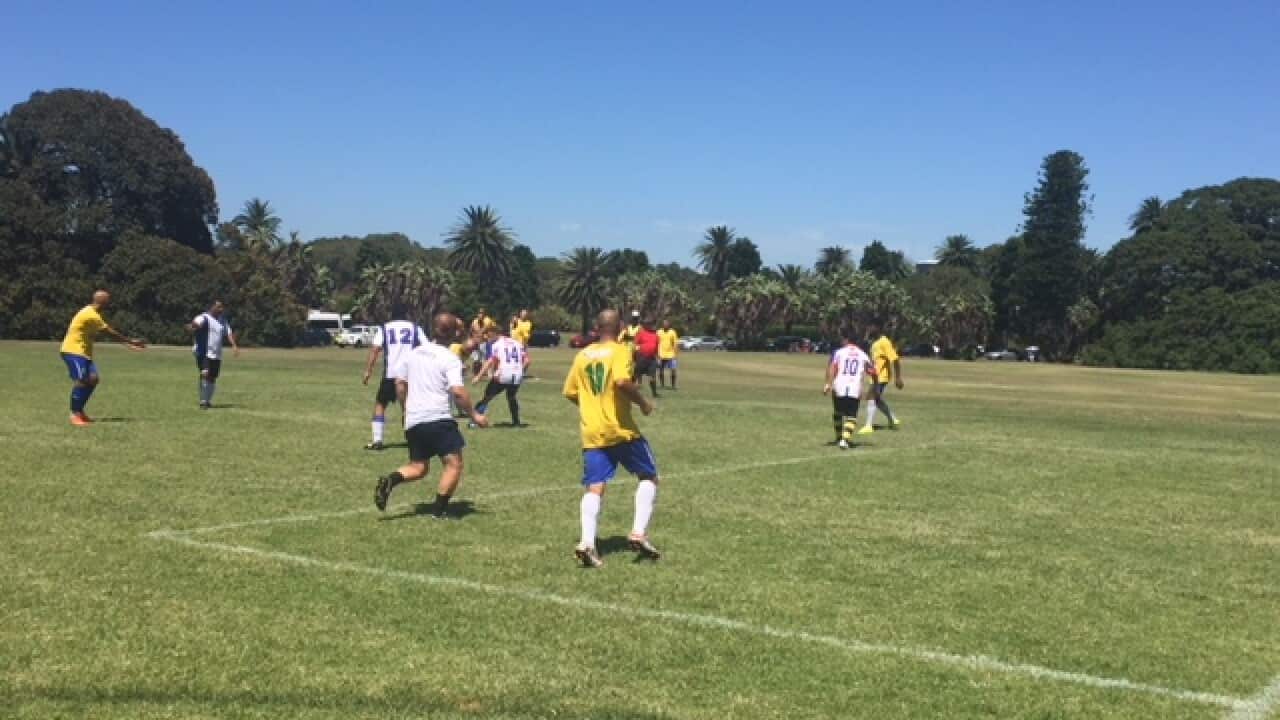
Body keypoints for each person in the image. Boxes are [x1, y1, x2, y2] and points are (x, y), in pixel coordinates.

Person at [562, 309, 662, 568]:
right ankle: (638, 532)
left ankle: (586, 543)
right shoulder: (620, 351)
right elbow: (621, 381)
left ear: (596, 327)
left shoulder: (582, 355)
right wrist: (643, 403)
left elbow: (570, 392)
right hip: (621, 429)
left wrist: (591, 406)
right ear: (620, 328)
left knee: (595, 486)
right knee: (648, 476)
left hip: (592, 430)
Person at [375, 313, 489, 517]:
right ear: (454, 333)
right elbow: (458, 392)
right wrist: (475, 415)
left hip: (414, 420)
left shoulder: (412, 354)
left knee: (418, 467)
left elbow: (400, 385)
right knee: (454, 464)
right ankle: (440, 510)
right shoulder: (449, 358)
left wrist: (405, 410)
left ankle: (391, 480)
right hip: (438, 418)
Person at [59, 290, 146, 426]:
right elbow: (109, 332)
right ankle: (74, 414)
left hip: (84, 353)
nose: (109, 304)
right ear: (103, 302)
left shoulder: (93, 314)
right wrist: (130, 341)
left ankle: (80, 411)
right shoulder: (91, 315)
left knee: (93, 379)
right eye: (108, 301)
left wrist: (126, 345)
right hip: (72, 351)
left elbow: (106, 333)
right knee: (82, 380)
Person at [361, 305, 428, 450]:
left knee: (380, 405)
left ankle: (377, 440)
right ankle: (413, 440)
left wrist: (368, 371)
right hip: (410, 374)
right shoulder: (415, 328)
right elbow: (426, 347)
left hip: (390, 374)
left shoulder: (385, 328)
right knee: (409, 408)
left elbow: (375, 349)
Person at [824, 328, 877, 449]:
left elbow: (832, 367)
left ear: (846, 340)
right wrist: (875, 385)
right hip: (854, 387)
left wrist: (828, 383)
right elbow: (872, 371)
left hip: (839, 385)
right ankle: (844, 439)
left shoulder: (839, 352)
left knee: (838, 412)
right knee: (852, 416)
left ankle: (838, 437)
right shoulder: (863, 354)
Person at [471, 326, 530, 427]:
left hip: (503, 374)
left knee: (487, 397)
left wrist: (478, 376)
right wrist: (520, 371)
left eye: (488, 334)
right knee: (511, 397)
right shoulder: (517, 343)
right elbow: (527, 361)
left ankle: (474, 422)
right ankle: (516, 422)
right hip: (516, 376)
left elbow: (490, 361)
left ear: (495, 333)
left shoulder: (497, 345)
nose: (486, 337)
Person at [187, 300, 240, 409]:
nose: (221, 309)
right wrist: (193, 326)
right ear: (212, 307)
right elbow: (195, 323)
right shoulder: (204, 317)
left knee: (212, 378)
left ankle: (208, 400)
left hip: (217, 354)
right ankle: (203, 401)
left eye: (222, 307)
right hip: (204, 352)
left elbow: (228, 332)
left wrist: (234, 345)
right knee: (205, 374)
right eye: (219, 307)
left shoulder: (222, 321)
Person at [860, 319, 904, 434]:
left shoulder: (884, 342)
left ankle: (868, 426)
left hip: (881, 377)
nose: (868, 329)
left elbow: (895, 359)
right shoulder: (874, 343)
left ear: (877, 328)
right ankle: (893, 420)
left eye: (871, 327)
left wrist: (898, 378)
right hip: (875, 376)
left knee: (871, 397)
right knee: (877, 400)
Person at [633, 318, 661, 398]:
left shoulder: (655, 335)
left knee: (652, 377)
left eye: (650, 324)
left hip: (652, 359)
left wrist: (658, 358)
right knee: (635, 376)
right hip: (641, 358)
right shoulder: (641, 333)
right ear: (645, 325)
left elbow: (656, 348)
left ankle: (654, 393)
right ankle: (629, 391)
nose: (649, 325)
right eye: (647, 324)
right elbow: (635, 344)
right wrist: (636, 354)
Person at [657, 320, 680, 390]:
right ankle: (662, 385)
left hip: (671, 355)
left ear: (669, 325)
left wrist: (676, 354)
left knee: (673, 370)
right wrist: (656, 353)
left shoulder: (672, 332)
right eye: (664, 324)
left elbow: (675, 344)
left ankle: (673, 385)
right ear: (662, 325)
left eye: (666, 324)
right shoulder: (659, 332)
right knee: (660, 370)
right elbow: (656, 342)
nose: (665, 325)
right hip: (661, 354)